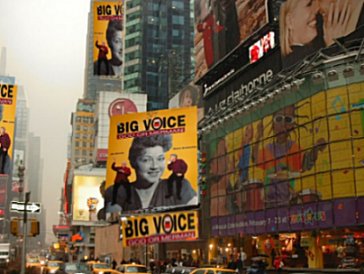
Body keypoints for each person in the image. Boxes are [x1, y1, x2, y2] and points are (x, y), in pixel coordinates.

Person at [104, 135, 197, 211]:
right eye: (146, 160)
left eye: (160, 159)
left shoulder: (178, 186)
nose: (155, 166)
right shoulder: (120, 190)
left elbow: (195, 217)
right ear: (133, 162)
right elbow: (112, 221)